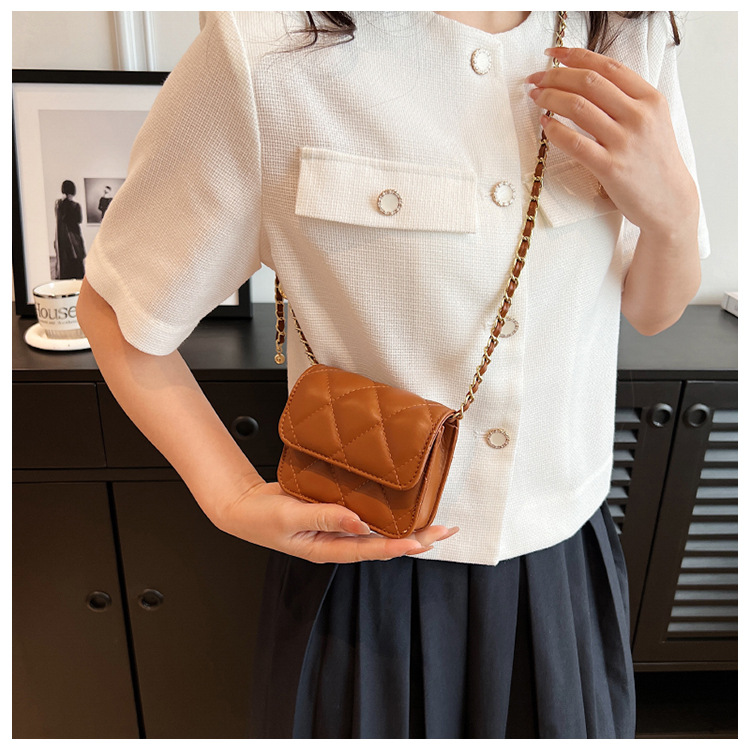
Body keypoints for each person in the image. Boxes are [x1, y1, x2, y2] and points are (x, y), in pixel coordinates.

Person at [77, 11, 711, 739]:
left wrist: (673, 213)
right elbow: (116, 309)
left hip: (563, 573)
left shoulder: (625, 29)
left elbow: (651, 310)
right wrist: (231, 495)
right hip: (364, 581)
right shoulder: (265, 48)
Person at [54, 179, 86, 279]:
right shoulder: (76, 206)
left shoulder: (58, 204)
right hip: (74, 236)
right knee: (76, 261)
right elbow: (79, 220)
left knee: (66, 262)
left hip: (62, 238)